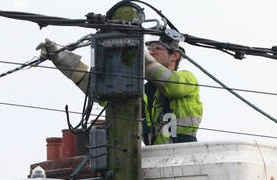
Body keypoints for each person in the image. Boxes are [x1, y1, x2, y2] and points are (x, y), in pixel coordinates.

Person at [36, 31, 202, 145]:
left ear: (175, 55)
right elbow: (98, 90)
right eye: (149, 48)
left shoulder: (187, 79)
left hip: (185, 155)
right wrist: (62, 59)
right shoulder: (142, 92)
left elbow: (169, 85)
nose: (151, 51)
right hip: (155, 159)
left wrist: (135, 49)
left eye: (157, 47)